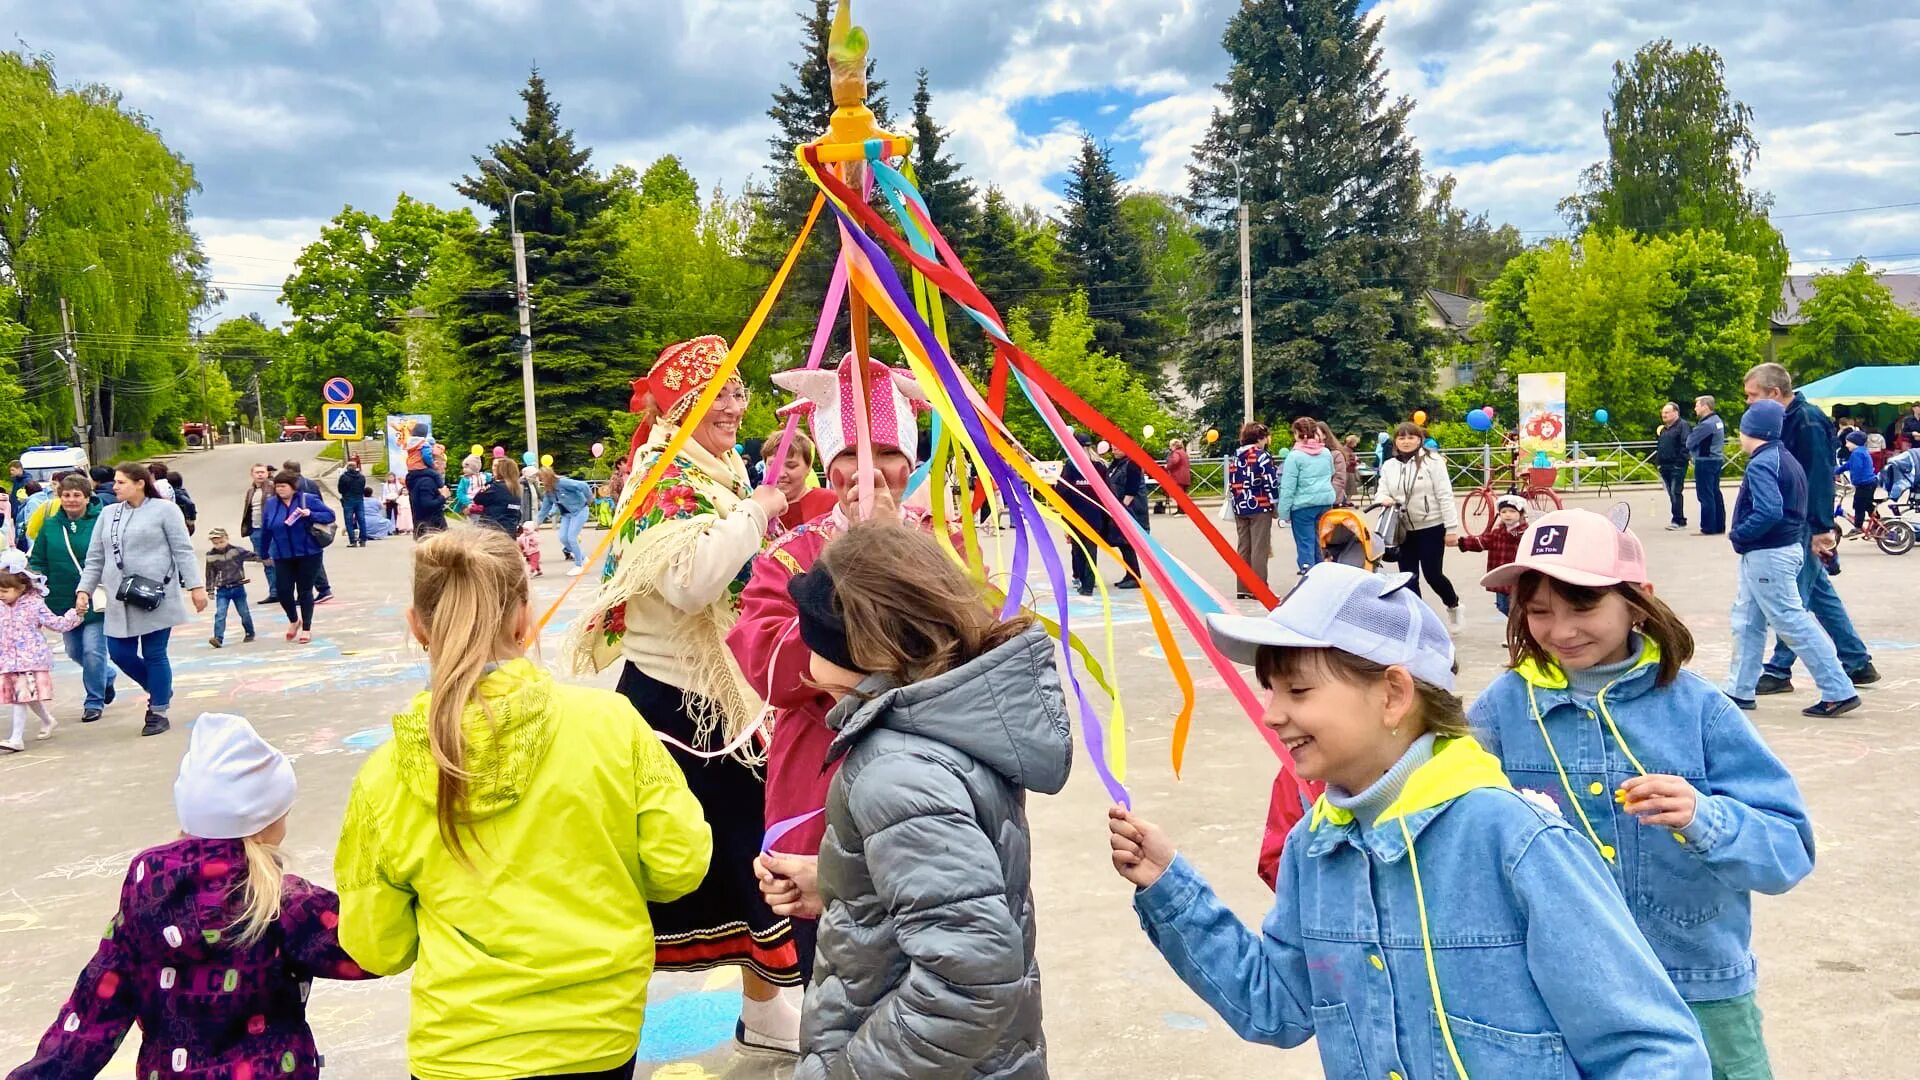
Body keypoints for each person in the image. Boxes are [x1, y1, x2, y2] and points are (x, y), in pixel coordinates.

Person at [1112, 562, 1709, 1076]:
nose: (1272, 715)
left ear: (1394, 695)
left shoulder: (1517, 841)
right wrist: (1171, 889)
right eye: (1270, 691)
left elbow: (1649, 1048)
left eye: (1297, 691)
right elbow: (1278, 1007)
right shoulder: (1313, 847)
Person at [334, 525, 709, 1080]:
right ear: (523, 618)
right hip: (596, 1035)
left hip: (458, 1049)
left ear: (418, 628)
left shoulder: (385, 773)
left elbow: (376, 946)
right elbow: (678, 865)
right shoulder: (611, 726)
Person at [1471, 508, 1812, 1076]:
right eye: (1538, 611)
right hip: (1560, 995)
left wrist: (1706, 818)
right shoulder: (1502, 711)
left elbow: (1789, 853)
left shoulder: (1700, 710)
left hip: (1699, 991)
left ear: (1637, 600)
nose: (1561, 631)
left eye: (1583, 606)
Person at [566, 335, 803, 1052]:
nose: (734, 407)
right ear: (679, 406)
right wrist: (759, 511)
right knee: (651, 871)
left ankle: (764, 1013)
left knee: (745, 857)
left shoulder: (717, 471)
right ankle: (602, 1027)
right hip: (674, 705)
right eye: (716, 395)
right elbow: (688, 582)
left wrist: (774, 511)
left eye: (737, 392)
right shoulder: (665, 478)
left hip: (722, 704)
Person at [768, 522, 1066, 1079]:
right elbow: (951, 891)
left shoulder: (897, 771)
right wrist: (845, 887)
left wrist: (852, 1073)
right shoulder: (942, 729)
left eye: (810, 628)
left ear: (862, 644)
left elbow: (969, 976)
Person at [12, 712, 372, 1078]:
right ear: (267, 820)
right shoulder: (286, 904)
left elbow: (91, 1015)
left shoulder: (145, 900)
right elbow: (374, 949)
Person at [733, 352, 938, 987]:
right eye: (849, 453)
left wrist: (895, 556)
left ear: (909, 463)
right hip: (818, 797)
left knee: (932, 973)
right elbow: (764, 662)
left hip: (927, 791)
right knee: (837, 985)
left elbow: (961, 653)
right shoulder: (788, 556)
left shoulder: (942, 548)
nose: (867, 470)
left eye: (886, 453)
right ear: (828, 463)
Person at [1743, 363, 1877, 694]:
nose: (1748, 402)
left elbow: (1819, 475)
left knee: (1793, 598)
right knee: (1818, 592)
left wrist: (1820, 526)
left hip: (1801, 520)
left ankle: (1779, 668)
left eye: (1752, 396)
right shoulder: (1790, 418)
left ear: (1774, 394)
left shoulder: (1807, 420)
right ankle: (1858, 661)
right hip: (1798, 517)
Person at [1722, 400, 1859, 717]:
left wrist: (1740, 534)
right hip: (1778, 550)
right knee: (1747, 620)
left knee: (1790, 620)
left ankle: (1838, 689)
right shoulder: (1785, 458)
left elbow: (1769, 510)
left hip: (1767, 552)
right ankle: (1739, 690)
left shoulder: (1762, 463)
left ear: (1750, 431)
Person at [74, 463, 205, 738]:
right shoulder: (109, 514)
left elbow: (182, 550)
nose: (115, 486)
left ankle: (158, 710)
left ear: (140, 483)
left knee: (155, 653)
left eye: (121, 482)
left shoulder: (166, 510)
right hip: (120, 597)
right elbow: (96, 556)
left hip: (156, 595)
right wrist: (83, 590)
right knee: (120, 652)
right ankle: (159, 687)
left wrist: (196, 586)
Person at [28, 473, 115, 724]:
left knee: (93, 650)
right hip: (64, 600)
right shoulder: (50, 526)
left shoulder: (102, 521)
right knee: (74, 650)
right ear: (60, 497)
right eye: (66, 495)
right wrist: (33, 583)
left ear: (88, 497)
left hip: (96, 598)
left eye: (77, 495)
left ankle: (93, 701)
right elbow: (38, 561)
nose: (71, 500)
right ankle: (106, 676)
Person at [1377, 422, 1462, 627]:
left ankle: (1453, 604)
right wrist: (1384, 498)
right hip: (1402, 529)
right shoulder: (1390, 465)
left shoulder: (1433, 461)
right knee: (1408, 577)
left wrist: (1451, 528)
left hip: (1432, 526)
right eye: (1401, 438)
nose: (1406, 442)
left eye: (1411, 437)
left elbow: (1445, 495)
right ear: (1395, 441)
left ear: (1419, 439)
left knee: (1433, 574)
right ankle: (1420, 622)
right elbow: (1381, 491)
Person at [0, 548, 84, 753]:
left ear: (20, 586)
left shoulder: (34, 604)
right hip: (9, 658)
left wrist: (76, 614)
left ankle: (16, 738)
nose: (0, 595)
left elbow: (56, 623)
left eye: (4, 591)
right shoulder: (2, 606)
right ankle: (48, 720)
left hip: (30, 657)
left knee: (21, 697)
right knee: (26, 696)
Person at [260, 470, 336, 645]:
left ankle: (307, 628)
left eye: (283, 486)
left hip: (309, 553)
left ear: (294, 487)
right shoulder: (271, 504)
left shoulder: (307, 499)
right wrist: (263, 552)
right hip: (282, 554)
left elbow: (330, 515)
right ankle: (294, 620)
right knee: (283, 591)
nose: (280, 490)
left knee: (305, 591)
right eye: (277, 486)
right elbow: (266, 529)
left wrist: (310, 514)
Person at [1275, 417, 1337, 575]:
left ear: (1296, 434)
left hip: (1303, 505)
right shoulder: (1325, 452)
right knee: (1319, 540)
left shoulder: (1295, 456)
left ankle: (1307, 572)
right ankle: (1320, 571)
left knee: (1305, 542)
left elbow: (1288, 487)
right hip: (1324, 502)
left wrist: (1283, 513)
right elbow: (1332, 473)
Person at [1227, 422, 1282, 597]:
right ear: (1260, 438)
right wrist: (1275, 503)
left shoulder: (1236, 456)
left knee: (1244, 547)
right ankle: (1259, 588)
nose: (1267, 440)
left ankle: (1242, 588)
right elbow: (1270, 482)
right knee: (1260, 547)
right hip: (1259, 505)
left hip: (1240, 506)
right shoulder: (1262, 456)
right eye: (1266, 437)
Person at [1450, 493, 1527, 615]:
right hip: (1501, 577)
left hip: (1516, 577)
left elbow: (1516, 537)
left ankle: (1521, 628)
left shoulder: (1524, 533)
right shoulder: (1497, 533)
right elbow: (1482, 541)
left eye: (1512, 511)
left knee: (1516, 607)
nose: (1507, 515)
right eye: (1504, 512)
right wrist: (1460, 542)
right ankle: (1519, 626)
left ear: (1521, 514)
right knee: (1503, 606)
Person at [1054, 433, 1110, 597]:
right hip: (1094, 516)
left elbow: (1061, 490)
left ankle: (1084, 584)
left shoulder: (1071, 466)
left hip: (1076, 515)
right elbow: (1108, 493)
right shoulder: (1100, 466)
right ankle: (1088, 585)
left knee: (1079, 550)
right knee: (1091, 551)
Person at [762, 425, 837, 534]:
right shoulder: (758, 507)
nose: (781, 473)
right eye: (773, 465)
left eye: (791, 466)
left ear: (808, 468)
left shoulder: (831, 503)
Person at [280, 461, 334, 605]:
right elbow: (320, 503)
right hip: (312, 527)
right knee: (314, 561)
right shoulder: (311, 483)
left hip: (302, 528)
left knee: (305, 562)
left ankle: (315, 591)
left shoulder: (293, 487)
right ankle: (323, 589)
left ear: (289, 471)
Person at [203, 527, 259, 648]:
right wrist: (210, 590)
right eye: (215, 543)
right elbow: (210, 573)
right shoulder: (210, 556)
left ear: (227, 539)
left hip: (238, 587)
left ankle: (249, 632)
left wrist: (264, 557)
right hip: (222, 590)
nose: (219, 545)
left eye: (221, 542)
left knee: (243, 612)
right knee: (220, 614)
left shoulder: (236, 551)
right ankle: (218, 638)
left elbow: (252, 556)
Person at [1106, 442, 1151, 587]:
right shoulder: (1116, 464)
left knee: (1127, 543)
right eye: (1113, 447)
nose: (1114, 450)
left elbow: (1131, 490)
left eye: (1118, 447)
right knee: (1122, 542)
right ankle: (1129, 574)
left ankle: (1134, 577)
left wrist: (1121, 508)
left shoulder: (1132, 464)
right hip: (1120, 507)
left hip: (1132, 509)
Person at [537, 467, 595, 575]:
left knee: (572, 537)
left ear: (548, 477)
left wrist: (589, 498)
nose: (541, 481)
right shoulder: (549, 492)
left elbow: (583, 485)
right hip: (567, 514)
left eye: (541, 478)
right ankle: (583, 559)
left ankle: (579, 565)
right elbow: (545, 508)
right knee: (563, 538)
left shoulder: (563, 482)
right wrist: (537, 524)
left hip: (579, 511)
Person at [239, 463, 280, 605]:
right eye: (257, 472)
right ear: (252, 474)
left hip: (271, 530)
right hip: (255, 530)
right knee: (266, 562)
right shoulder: (251, 491)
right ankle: (274, 592)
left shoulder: (273, 488)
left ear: (267, 473)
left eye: (262, 472)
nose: (260, 474)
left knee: (276, 561)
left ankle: (281, 591)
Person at [1689, 395, 1728, 535]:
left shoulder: (1706, 424)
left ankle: (1708, 527)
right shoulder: (1718, 421)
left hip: (1705, 460)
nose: (1695, 408)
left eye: (1697, 405)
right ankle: (1719, 525)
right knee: (1715, 492)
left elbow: (1690, 442)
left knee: (1705, 495)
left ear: (1705, 406)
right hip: (1716, 459)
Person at [1656, 400, 1692, 531]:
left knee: (1675, 492)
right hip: (1664, 465)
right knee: (1671, 493)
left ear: (1675, 413)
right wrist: (1658, 463)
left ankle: (1678, 520)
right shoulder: (1665, 429)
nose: (1664, 415)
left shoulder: (1683, 426)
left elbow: (1686, 444)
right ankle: (1678, 517)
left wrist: (1679, 462)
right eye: (1662, 413)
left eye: (1667, 412)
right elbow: (1660, 446)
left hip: (1677, 465)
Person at [1836, 430, 1878, 533]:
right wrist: (1836, 471)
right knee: (1867, 503)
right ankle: (1877, 522)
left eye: (1848, 442)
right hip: (1870, 483)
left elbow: (1856, 468)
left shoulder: (1857, 453)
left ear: (1855, 442)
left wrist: (1853, 481)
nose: (1846, 445)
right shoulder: (1862, 451)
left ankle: (1858, 527)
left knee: (1859, 505)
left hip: (1864, 484)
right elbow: (1847, 465)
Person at [467, 469, 523, 535]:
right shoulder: (516, 487)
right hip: (510, 526)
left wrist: (486, 487)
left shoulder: (495, 487)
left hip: (493, 526)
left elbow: (478, 499)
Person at [336, 456, 370, 547]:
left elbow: (340, 489)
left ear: (347, 467)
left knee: (349, 521)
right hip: (359, 499)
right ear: (356, 467)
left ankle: (353, 541)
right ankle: (363, 540)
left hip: (348, 500)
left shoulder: (344, 477)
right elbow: (362, 487)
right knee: (361, 520)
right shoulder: (361, 477)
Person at [1162, 437, 1191, 514]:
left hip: (1178, 476)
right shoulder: (1183, 452)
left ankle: (1181, 510)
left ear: (1174, 445)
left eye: (1170, 446)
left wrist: (1167, 466)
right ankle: (1182, 510)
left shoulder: (1176, 453)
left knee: (1178, 494)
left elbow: (1175, 461)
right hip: (1185, 476)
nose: (1170, 447)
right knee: (1182, 494)